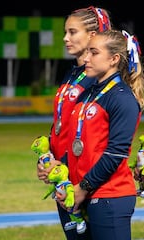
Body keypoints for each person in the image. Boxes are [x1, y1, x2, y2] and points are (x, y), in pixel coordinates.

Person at [36, 6, 112, 239]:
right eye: (65, 32)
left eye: (72, 32)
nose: (65, 38)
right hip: (63, 176)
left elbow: (92, 133)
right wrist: (47, 156)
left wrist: (62, 165)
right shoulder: (72, 74)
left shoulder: (98, 78)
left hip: (84, 178)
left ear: (91, 35)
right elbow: (62, 123)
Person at [65, 29, 144, 240]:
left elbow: (116, 153)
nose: (86, 58)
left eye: (94, 53)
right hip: (81, 193)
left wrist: (83, 187)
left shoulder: (122, 98)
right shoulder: (87, 94)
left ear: (113, 59)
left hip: (109, 195)